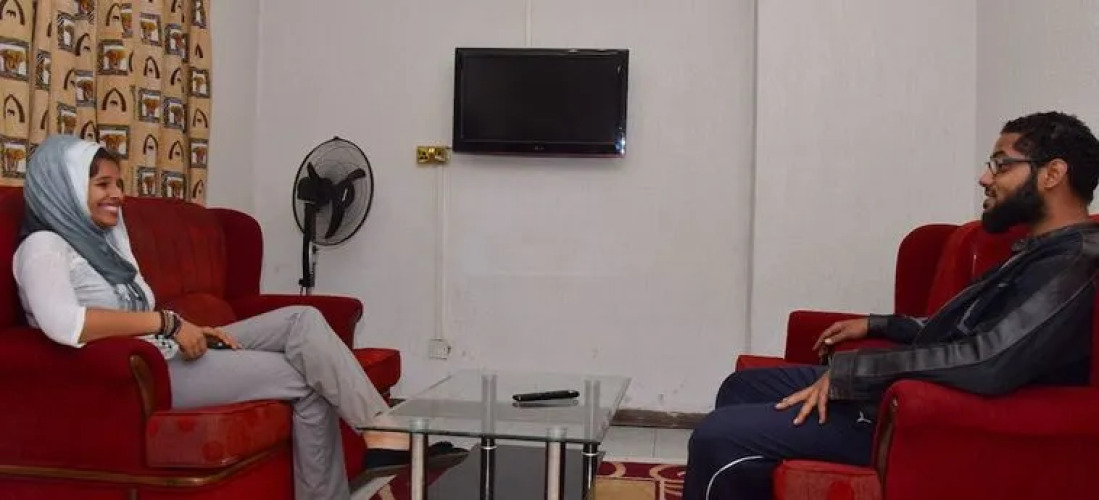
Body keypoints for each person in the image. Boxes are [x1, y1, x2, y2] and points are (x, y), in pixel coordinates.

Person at [12, 135, 463, 500]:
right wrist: (167, 324)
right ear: (65, 188)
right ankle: (364, 461)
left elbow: (138, 311)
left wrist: (191, 328)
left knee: (302, 321)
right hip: (148, 373)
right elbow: (65, 324)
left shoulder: (106, 244)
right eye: (102, 185)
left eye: (118, 183)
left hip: (165, 347)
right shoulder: (43, 247)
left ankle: (382, 430)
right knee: (307, 377)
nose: (118, 195)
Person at [684, 111, 1099, 500]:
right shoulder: (1040, 250)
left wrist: (856, 372)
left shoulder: (1071, 263)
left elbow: (989, 359)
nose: (984, 177)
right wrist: (877, 324)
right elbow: (961, 327)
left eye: (1001, 165)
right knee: (741, 387)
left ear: (1053, 174)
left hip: (936, 421)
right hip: (914, 394)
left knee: (719, 434)